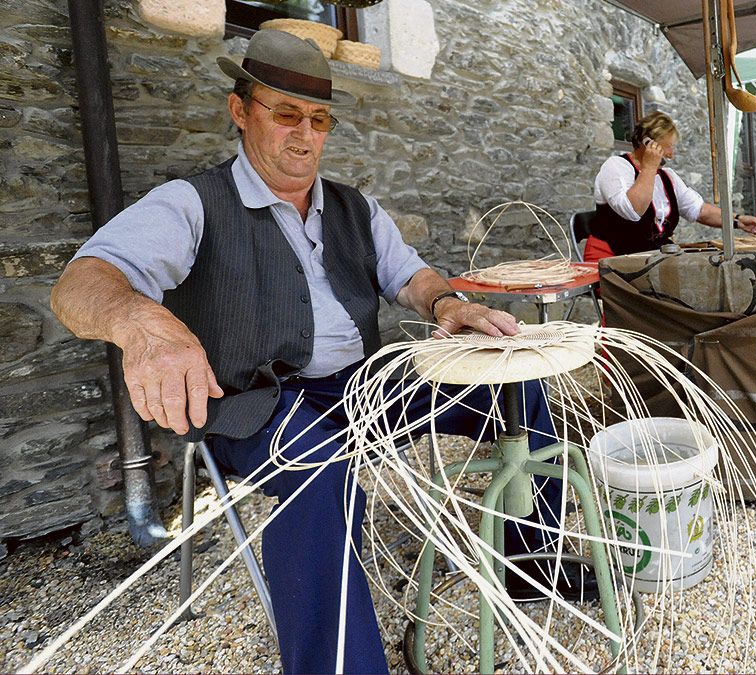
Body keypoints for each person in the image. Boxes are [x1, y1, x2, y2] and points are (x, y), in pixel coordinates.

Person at [49, 30, 574, 674]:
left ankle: (530, 565)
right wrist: (141, 323)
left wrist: (446, 305)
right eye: (286, 114)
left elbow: (413, 277)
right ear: (240, 112)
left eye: (319, 119)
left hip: (362, 388)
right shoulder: (192, 204)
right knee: (318, 466)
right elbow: (80, 285)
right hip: (250, 403)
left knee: (514, 385)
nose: (305, 135)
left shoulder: (354, 207)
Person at [587, 111, 756, 261]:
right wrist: (649, 167)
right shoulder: (615, 167)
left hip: (649, 259)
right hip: (613, 260)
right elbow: (632, 211)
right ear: (646, 142)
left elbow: (698, 210)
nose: (671, 154)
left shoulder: (667, 177)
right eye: (667, 147)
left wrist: (738, 220)